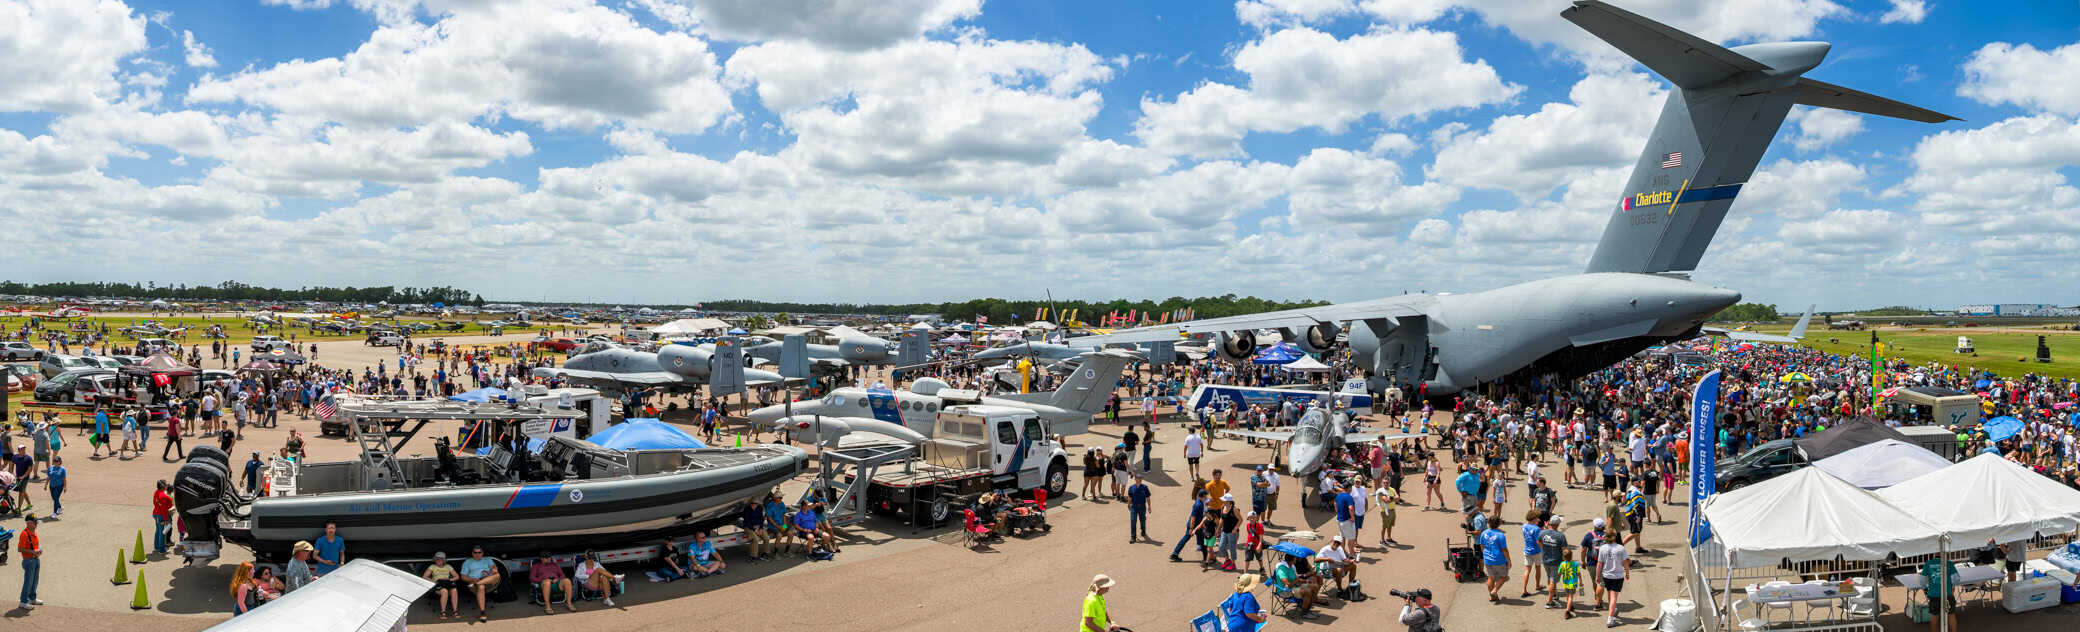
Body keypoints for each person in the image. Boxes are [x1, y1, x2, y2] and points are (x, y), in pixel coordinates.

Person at [1269, 554, 1323, 619]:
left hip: (1295, 587)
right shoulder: (1282, 569)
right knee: (1308, 591)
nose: (1296, 559)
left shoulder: (1292, 566)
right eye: (1295, 558)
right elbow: (1287, 585)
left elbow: (1296, 579)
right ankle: (1304, 613)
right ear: (1292, 559)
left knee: (1314, 586)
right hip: (1285, 591)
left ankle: (1307, 609)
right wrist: (1297, 580)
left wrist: (1306, 582)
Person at [1597, 528, 1630, 628]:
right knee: (1614, 597)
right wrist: (1627, 572)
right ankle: (1610, 618)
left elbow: (1599, 563)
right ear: (1614, 536)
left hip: (1606, 575)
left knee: (1609, 593)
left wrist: (1597, 576)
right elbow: (1625, 562)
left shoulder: (1602, 548)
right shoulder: (1620, 548)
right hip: (1617, 576)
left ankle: (1613, 610)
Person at [458, 546, 501, 621]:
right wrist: (472, 579)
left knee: (497, 575)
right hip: (474, 581)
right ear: (472, 553)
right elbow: (463, 577)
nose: (477, 554)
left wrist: (493, 570)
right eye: (475, 552)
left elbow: (494, 568)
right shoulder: (468, 562)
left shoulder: (488, 559)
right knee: (481, 587)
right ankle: (483, 612)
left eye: (479, 552)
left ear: (482, 553)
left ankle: (477, 583)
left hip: (488, 580)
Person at [1919, 556, 1958, 632]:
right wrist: (1952, 587)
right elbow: (1956, 578)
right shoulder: (1949, 563)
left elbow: (1922, 580)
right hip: (1947, 594)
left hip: (1934, 595)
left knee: (1934, 616)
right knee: (1951, 615)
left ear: (1933, 555)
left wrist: (1925, 589)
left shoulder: (1928, 563)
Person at [1170, 487, 1210, 562]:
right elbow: (1193, 517)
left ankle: (1175, 554)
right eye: (1206, 496)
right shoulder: (1198, 505)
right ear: (1203, 496)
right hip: (1195, 526)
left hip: (1196, 525)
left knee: (1186, 539)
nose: (1207, 497)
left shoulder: (1200, 502)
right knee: (1202, 541)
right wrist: (1192, 528)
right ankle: (1206, 558)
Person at [1538, 515, 1569, 608]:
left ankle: (1553, 594)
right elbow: (1565, 550)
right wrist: (1566, 561)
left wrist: (1544, 550)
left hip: (1545, 560)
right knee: (1553, 581)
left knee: (1549, 577)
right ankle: (1550, 602)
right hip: (1556, 561)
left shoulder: (1542, 533)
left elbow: (1538, 543)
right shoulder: (1560, 536)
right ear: (1557, 524)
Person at [1479, 514, 1510, 601]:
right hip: (1498, 560)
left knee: (1491, 578)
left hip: (1487, 559)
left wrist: (1485, 555)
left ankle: (1492, 596)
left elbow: (1482, 546)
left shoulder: (1484, 533)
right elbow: (1504, 550)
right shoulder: (1501, 535)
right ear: (1499, 524)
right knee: (1504, 577)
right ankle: (1494, 591)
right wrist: (1509, 561)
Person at [424, 551, 463, 618]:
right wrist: (434, 581)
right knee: (444, 591)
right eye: (437, 559)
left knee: (454, 590)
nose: (439, 560)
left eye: (441, 559)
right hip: (438, 585)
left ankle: (455, 611)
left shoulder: (448, 566)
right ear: (435, 560)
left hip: (447, 583)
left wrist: (449, 580)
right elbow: (424, 577)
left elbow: (457, 576)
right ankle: (443, 612)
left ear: (444, 560)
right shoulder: (432, 566)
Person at [16, 514, 40, 608]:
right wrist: (33, 552)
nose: (36, 523)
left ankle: (32, 598)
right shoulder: (24, 534)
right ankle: (23, 601)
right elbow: (19, 549)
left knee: (35, 580)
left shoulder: (34, 532)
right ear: (29, 523)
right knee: (28, 581)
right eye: (35, 522)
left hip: (35, 559)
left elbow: (34, 545)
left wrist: (38, 551)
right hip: (28, 561)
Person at [1520, 510, 1546, 597]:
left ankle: (1524, 589)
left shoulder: (1524, 526)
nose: (1538, 519)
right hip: (1536, 551)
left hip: (1527, 550)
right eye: (1537, 518)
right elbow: (1538, 541)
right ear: (1534, 518)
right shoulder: (1536, 529)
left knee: (1527, 570)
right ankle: (1537, 585)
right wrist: (1543, 548)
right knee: (1538, 568)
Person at [1556, 547, 1582, 617]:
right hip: (1573, 583)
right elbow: (1578, 573)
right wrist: (1581, 581)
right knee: (1570, 596)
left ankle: (1569, 605)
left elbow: (1559, 573)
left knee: (1568, 595)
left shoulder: (1562, 564)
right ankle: (1567, 611)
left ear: (1563, 557)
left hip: (1565, 583)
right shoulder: (1575, 564)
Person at [151, 480, 175, 554]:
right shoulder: (163, 496)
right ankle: (162, 549)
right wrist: (166, 519)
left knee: (158, 530)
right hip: (161, 515)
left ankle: (157, 546)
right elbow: (164, 509)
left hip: (156, 514)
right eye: (166, 485)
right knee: (162, 533)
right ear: (163, 487)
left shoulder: (156, 492)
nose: (167, 486)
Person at [1126, 473, 1151, 542]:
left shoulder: (1145, 487)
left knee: (1142, 520)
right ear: (1135, 479)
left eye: (1140, 478)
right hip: (1134, 507)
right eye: (1138, 478)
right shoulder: (1131, 488)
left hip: (1142, 506)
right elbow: (1130, 497)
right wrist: (1128, 504)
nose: (1139, 479)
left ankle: (1143, 530)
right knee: (1133, 520)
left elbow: (1148, 497)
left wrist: (1149, 506)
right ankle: (1133, 536)